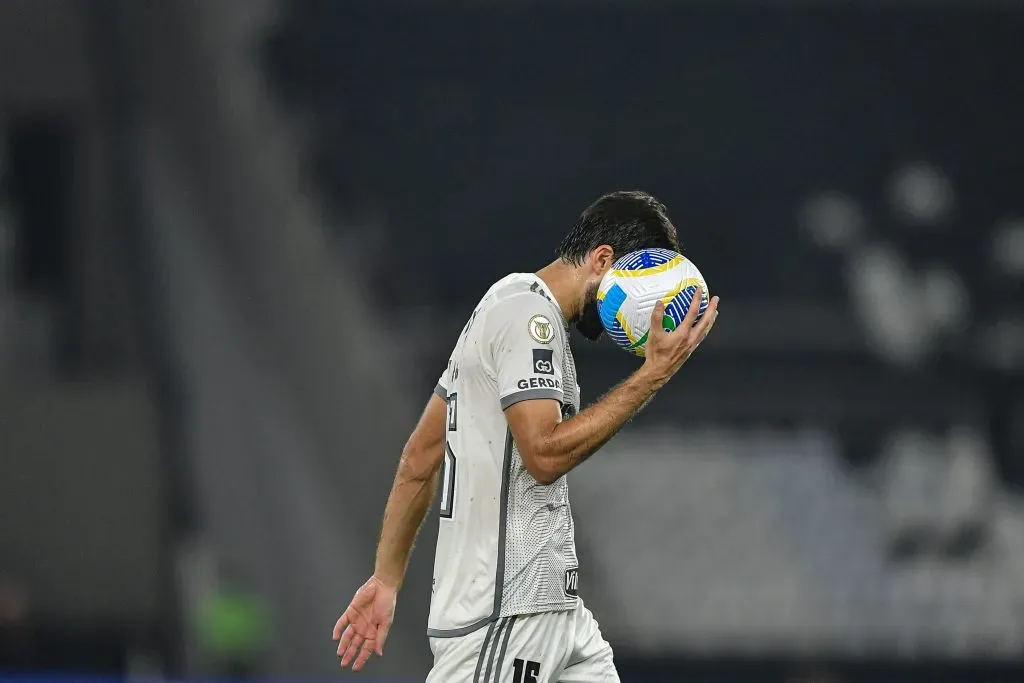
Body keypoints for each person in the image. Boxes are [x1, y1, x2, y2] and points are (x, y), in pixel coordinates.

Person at [333, 191, 720, 682]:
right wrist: (653, 374)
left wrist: (386, 580)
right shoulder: (527, 318)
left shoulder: (505, 305)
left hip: (555, 613)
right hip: (505, 617)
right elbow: (542, 455)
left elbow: (420, 456)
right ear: (603, 259)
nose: (632, 325)